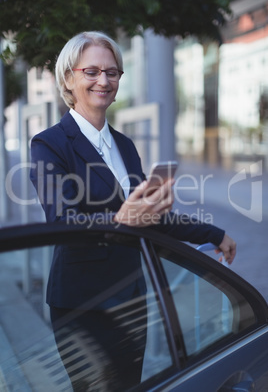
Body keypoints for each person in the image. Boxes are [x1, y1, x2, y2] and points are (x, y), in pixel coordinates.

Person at [30, 31, 236, 391]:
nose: (104, 81)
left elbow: (149, 218)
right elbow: (61, 221)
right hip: (82, 305)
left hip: (131, 298)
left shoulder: (124, 145)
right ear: (69, 78)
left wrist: (212, 234)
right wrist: (121, 219)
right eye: (91, 71)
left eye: (112, 72)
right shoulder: (49, 144)